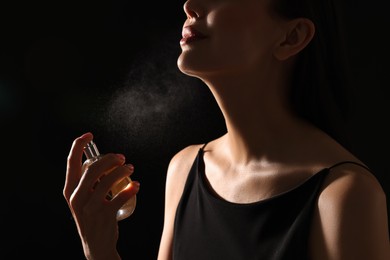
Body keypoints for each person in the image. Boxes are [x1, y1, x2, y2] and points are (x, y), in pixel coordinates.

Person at [63, 0, 390, 259]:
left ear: (292, 37)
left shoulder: (345, 196)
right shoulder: (184, 170)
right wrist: (100, 249)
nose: (189, 4)